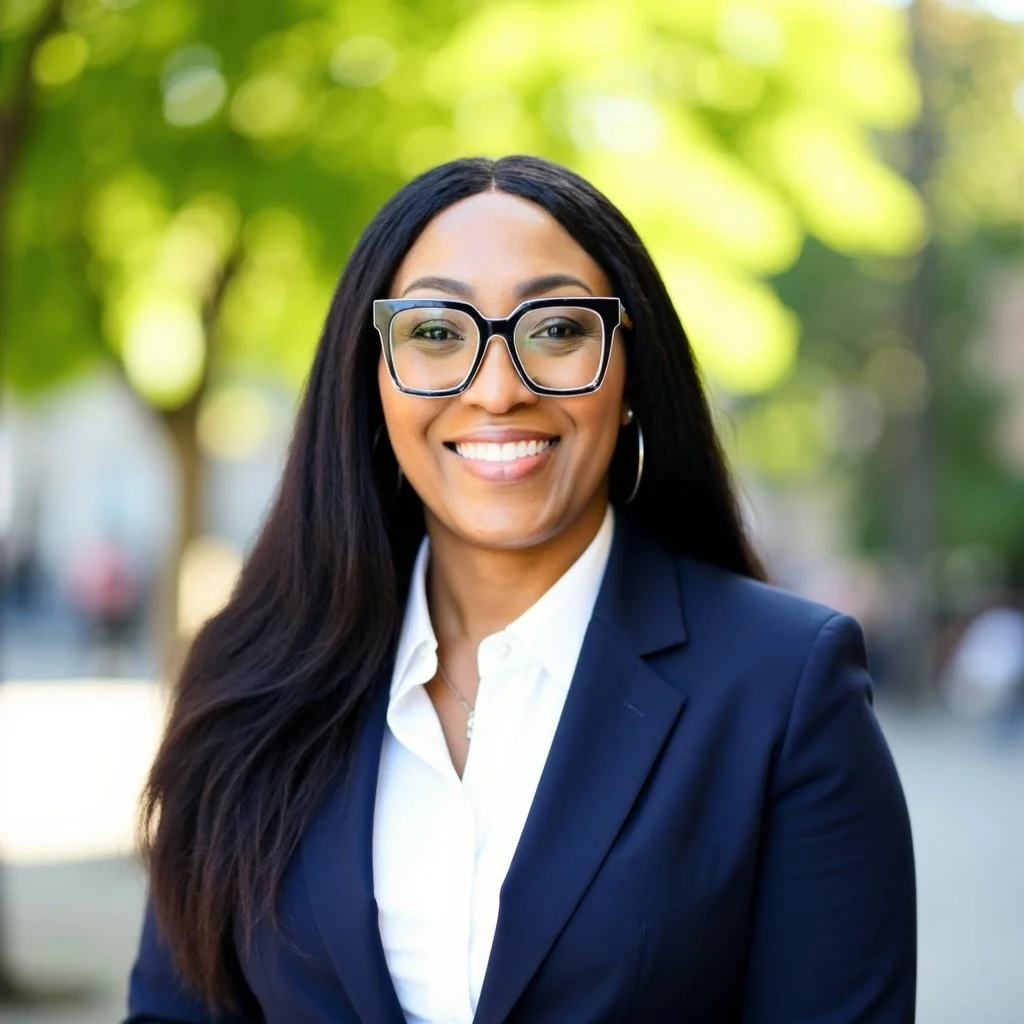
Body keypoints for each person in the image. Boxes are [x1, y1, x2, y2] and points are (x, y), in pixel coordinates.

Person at [125, 156, 916, 1023]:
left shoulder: (784, 688)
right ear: (371, 380)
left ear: (629, 379)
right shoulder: (250, 669)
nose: (497, 390)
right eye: (435, 334)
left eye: (557, 329)